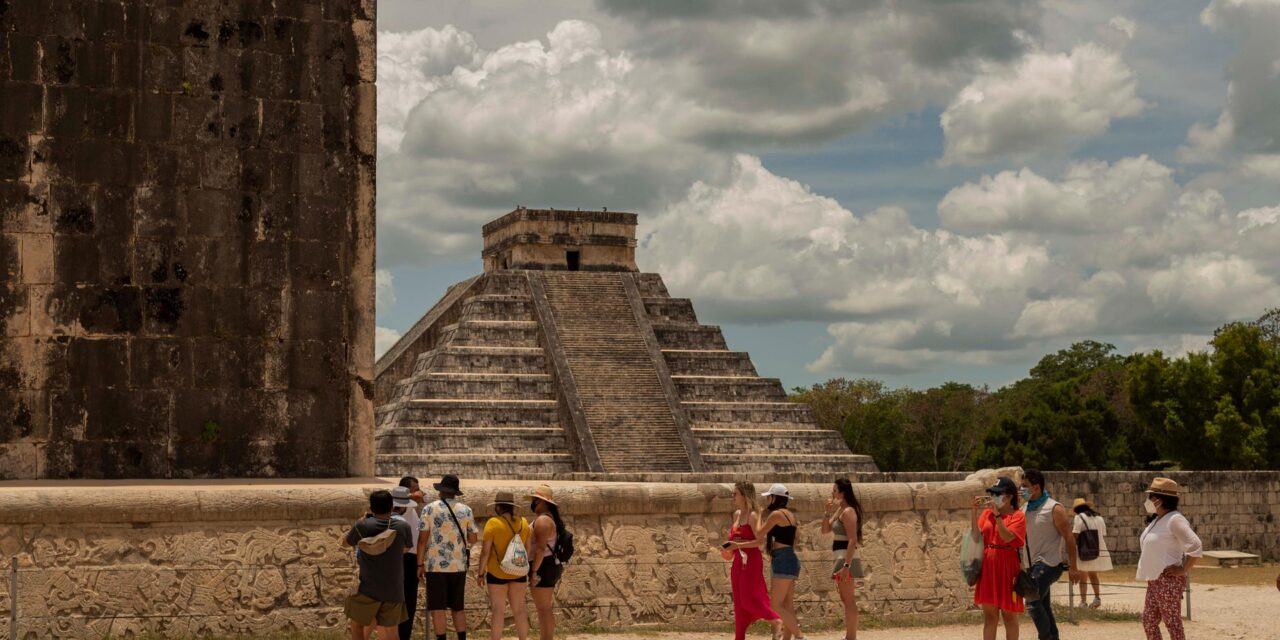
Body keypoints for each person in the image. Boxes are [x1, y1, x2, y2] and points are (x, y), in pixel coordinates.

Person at [344, 489, 414, 640]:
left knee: (357, 625)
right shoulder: (403, 527)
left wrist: (359, 522)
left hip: (368, 588)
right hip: (394, 589)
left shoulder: (363, 526)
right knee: (391, 632)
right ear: (391, 507)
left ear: (371, 507)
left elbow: (346, 542)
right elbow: (407, 547)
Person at [1137, 478, 1202, 640]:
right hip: (1153, 580)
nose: (1148, 500)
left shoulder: (1174, 519)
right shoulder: (1157, 520)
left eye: (1151, 496)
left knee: (1172, 622)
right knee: (1149, 620)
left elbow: (1195, 544)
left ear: (1160, 499)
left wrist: (1183, 569)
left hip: (1168, 579)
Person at [1019, 469, 1080, 640]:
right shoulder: (1024, 509)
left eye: (1024, 486)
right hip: (1031, 566)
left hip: (1049, 564)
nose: (1021, 490)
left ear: (1036, 487)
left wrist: (1074, 567)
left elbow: (1069, 538)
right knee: (1043, 605)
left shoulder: (1054, 508)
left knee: (1031, 602)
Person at [419, 474, 479, 640]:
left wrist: (419, 564)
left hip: (435, 565)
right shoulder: (466, 510)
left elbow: (422, 540)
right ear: (455, 492)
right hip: (459, 565)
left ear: (440, 491)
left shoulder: (429, 509)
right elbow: (473, 539)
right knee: (457, 607)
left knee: (438, 607)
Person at [722, 482, 783, 640]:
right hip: (737, 562)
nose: (733, 496)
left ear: (744, 496)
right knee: (739, 603)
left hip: (752, 562)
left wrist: (738, 545)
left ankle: (775, 620)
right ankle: (739, 637)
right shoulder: (736, 515)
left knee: (748, 600)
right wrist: (728, 549)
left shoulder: (753, 516)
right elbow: (735, 539)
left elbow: (759, 542)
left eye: (735, 493)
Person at [973, 476, 1026, 640]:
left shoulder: (1017, 516)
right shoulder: (987, 514)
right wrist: (973, 513)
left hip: (1008, 569)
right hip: (988, 568)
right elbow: (976, 536)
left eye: (997, 493)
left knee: (1009, 617)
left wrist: (997, 517)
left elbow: (1007, 537)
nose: (993, 497)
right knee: (990, 617)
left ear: (1009, 497)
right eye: (992, 493)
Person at [477, 491, 531, 640]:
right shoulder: (524, 523)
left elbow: (485, 552)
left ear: (498, 506)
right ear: (512, 506)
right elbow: (527, 549)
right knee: (519, 609)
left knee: (498, 610)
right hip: (518, 572)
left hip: (497, 572)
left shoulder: (493, 523)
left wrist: (480, 573)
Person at [756, 484, 806, 640]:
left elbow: (759, 533)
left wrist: (759, 514)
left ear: (775, 498)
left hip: (782, 559)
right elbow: (797, 537)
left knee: (776, 605)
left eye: (769, 497)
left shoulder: (776, 515)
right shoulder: (789, 515)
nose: (766, 500)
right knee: (787, 605)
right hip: (790, 557)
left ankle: (800, 636)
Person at [821, 478, 864, 640]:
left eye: (834, 490)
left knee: (848, 598)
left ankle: (851, 637)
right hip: (839, 557)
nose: (832, 493)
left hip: (846, 559)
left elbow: (852, 539)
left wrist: (847, 565)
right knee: (845, 597)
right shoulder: (840, 510)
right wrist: (826, 511)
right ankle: (850, 636)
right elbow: (825, 530)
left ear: (842, 493)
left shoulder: (848, 512)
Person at [528, 485, 564, 640]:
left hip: (542, 565)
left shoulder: (543, 520)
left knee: (543, 608)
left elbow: (541, 548)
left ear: (541, 501)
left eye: (535, 500)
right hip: (547, 564)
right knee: (544, 608)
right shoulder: (549, 518)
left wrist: (534, 571)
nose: (533, 503)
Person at [391, 479, 425, 640]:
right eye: (415, 489)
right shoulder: (394, 506)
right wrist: (410, 495)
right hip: (399, 558)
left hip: (412, 559)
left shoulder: (411, 507)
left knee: (409, 601)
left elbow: (424, 496)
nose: (419, 492)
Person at [1070, 497, 1112, 609]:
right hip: (1097, 550)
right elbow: (1102, 534)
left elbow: (1075, 534)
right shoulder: (1099, 518)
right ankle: (1097, 598)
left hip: (1084, 550)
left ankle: (1083, 602)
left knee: (1083, 577)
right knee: (1093, 575)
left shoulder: (1078, 517)